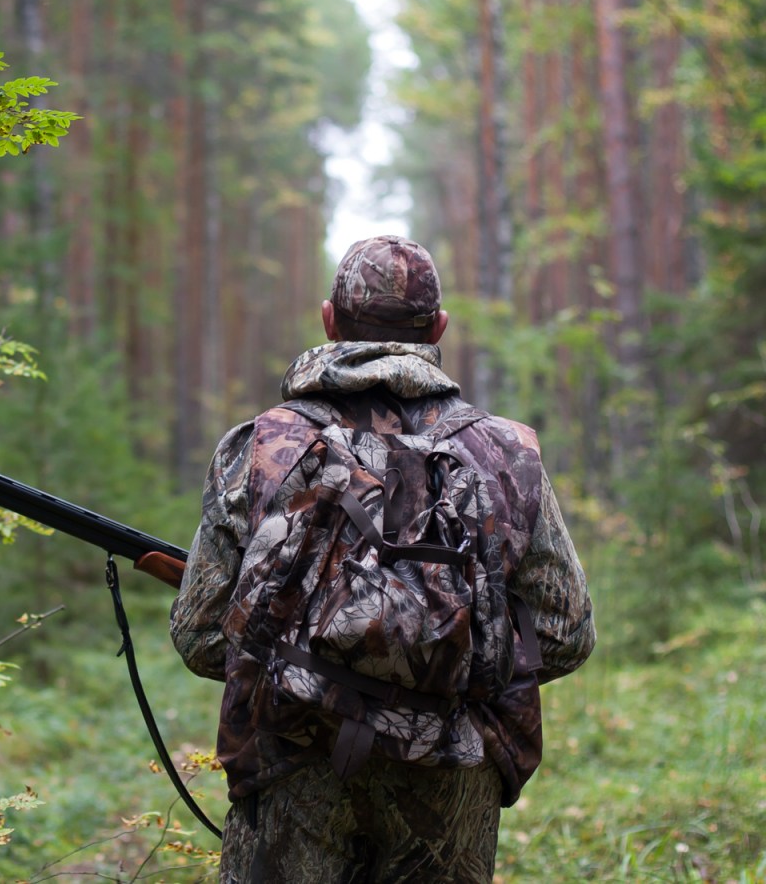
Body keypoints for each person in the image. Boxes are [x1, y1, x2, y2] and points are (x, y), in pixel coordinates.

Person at [170, 235, 596, 883]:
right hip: (453, 771)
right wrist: (446, 664)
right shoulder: (507, 452)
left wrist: (311, 667)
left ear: (330, 320)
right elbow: (566, 635)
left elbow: (200, 637)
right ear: (438, 328)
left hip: (292, 763)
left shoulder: (259, 447)